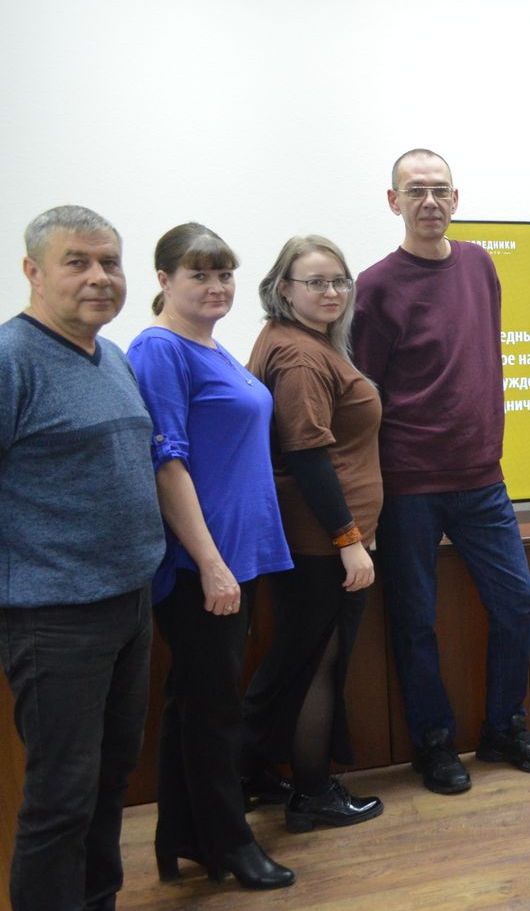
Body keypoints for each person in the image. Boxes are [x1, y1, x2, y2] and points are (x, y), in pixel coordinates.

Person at [353, 148, 530, 795]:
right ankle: (435, 744)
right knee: (416, 620)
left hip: (481, 479)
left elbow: (480, 357)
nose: (430, 202)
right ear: (394, 201)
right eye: (416, 191)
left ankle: (502, 728)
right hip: (408, 484)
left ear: (456, 198)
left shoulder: (478, 264)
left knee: (517, 602)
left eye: (440, 190)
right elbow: (364, 393)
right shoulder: (375, 287)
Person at [0, 206, 164, 911]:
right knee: (61, 797)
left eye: (110, 262)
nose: (99, 277)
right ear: (33, 271)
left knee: (109, 780)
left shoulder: (113, 356)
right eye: (77, 262)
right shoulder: (12, 360)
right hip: (54, 618)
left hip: (130, 603)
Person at [127, 223, 295, 888]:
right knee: (216, 709)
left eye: (224, 274)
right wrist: (211, 563)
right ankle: (230, 844)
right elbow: (166, 465)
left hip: (235, 554)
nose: (217, 286)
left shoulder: (211, 346)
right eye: (199, 274)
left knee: (195, 701)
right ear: (164, 280)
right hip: (201, 563)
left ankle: (182, 836)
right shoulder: (159, 350)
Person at [242, 236, 384, 830]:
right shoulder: (300, 357)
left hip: (317, 539)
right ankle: (312, 792)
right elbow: (306, 456)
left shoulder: (298, 341)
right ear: (283, 289)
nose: (332, 292)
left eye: (339, 281)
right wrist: (348, 540)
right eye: (316, 282)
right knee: (317, 664)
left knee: (298, 660)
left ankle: (249, 773)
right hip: (322, 542)